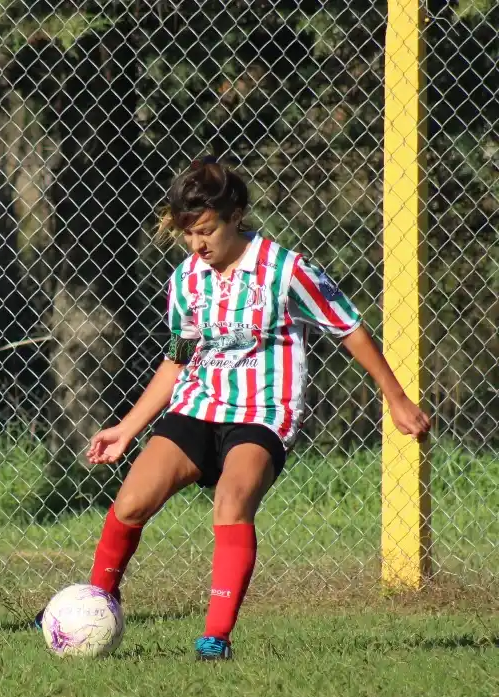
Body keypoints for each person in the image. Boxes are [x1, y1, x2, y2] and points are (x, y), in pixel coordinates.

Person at [38, 158, 430, 660]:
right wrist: (127, 428)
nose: (197, 244)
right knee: (132, 501)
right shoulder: (186, 279)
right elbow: (178, 358)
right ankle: (93, 608)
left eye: (206, 231)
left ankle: (215, 638)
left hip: (262, 413)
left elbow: (349, 327)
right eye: (188, 233)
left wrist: (395, 396)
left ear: (236, 216)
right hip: (198, 405)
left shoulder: (286, 270)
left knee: (231, 502)